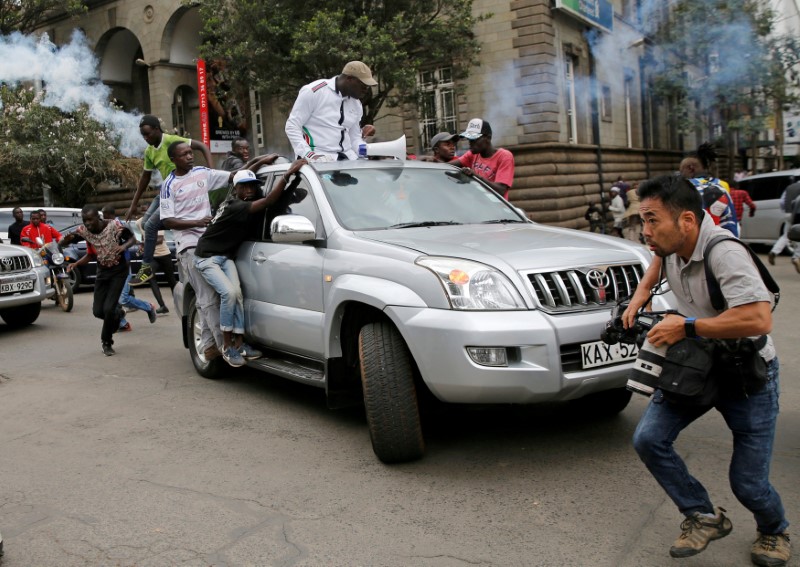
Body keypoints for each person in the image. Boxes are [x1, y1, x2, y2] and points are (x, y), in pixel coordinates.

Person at [622, 175, 790, 567]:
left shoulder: (723, 253)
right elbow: (657, 262)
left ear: (686, 221)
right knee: (649, 439)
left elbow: (759, 318)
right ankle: (702, 515)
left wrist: (688, 326)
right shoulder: (671, 243)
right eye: (642, 220)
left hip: (749, 374)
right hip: (699, 366)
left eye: (651, 220)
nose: (645, 232)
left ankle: (773, 529)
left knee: (748, 483)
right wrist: (639, 297)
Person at [160, 141, 275, 361]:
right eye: (184, 155)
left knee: (223, 296)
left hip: (211, 241)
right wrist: (195, 221)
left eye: (190, 153)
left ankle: (209, 345)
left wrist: (261, 160)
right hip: (190, 247)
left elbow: (236, 176)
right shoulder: (169, 185)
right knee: (210, 298)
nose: (190, 157)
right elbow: (167, 220)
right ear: (173, 159)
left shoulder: (202, 173)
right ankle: (227, 347)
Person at [194, 159, 306, 366]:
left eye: (252, 186)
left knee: (237, 295)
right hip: (207, 258)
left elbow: (275, 198)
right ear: (235, 189)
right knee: (228, 294)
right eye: (243, 186)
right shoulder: (236, 205)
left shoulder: (237, 201)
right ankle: (227, 347)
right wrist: (287, 174)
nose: (249, 190)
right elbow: (268, 201)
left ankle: (239, 344)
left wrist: (263, 162)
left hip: (225, 257)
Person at [126, 114, 213, 286]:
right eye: (143, 135)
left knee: (151, 225)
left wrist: (210, 170)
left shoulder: (172, 140)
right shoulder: (150, 151)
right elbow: (145, 178)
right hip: (166, 191)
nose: (146, 138)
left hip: (182, 190)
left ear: (157, 130)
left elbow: (201, 146)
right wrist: (133, 204)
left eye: (148, 134)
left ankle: (146, 267)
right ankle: (177, 222)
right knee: (144, 224)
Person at [61, 205, 137, 356]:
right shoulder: (83, 231)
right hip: (102, 271)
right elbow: (66, 244)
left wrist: (124, 246)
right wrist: (66, 241)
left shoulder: (115, 225)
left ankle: (106, 342)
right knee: (98, 311)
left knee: (108, 309)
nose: (87, 223)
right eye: (85, 220)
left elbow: (134, 239)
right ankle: (118, 314)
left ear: (98, 217)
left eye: (90, 219)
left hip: (118, 271)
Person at [285, 60, 377, 161]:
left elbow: (354, 139)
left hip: (347, 159)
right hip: (318, 158)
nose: (366, 89)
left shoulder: (356, 104)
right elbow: (292, 126)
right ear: (349, 79)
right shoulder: (313, 91)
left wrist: (370, 152)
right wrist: (308, 154)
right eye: (363, 85)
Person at [679, 143, 739, 236]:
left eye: (681, 170)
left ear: (691, 169)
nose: (681, 174)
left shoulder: (684, 188)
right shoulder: (722, 185)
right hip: (721, 241)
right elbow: (729, 222)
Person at [450, 118, 515, 199]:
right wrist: (434, 161)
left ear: (488, 138)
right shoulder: (472, 154)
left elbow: (501, 190)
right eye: (469, 139)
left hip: (495, 209)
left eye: (474, 139)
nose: (470, 143)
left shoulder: (504, 156)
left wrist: (477, 177)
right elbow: (448, 166)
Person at [135, 216, 174, 314]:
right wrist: (142, 247)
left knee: (172, 281)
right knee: (150, 278)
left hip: (164, 254)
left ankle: (180, 302)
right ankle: (162, 306)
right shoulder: (139, 222)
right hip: (152, 256)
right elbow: (143, 236)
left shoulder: (157, 219)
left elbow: (160, 239)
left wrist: (144, 243)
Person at [767, 182, 800, 272]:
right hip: (798, 214)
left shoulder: (789, 187)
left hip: (788, 214)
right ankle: (797, 257)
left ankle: (774, 251)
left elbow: (782, 202)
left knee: (786, 235)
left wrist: (786, 210)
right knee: (797, 234)